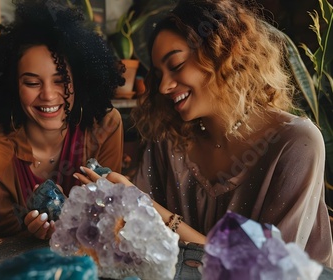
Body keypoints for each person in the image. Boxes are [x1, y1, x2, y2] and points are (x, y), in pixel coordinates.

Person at [76, 0, 333, 267]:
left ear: (223, 53)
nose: (163, 86)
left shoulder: (295, 143)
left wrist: (145, 208)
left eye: (175, 65)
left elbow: (264, 271)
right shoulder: (170, 139)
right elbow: (140, 245)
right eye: (157, 74)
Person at [0, 0, 125, 244]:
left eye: (61, 80)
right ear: (13, 88)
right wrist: (31, 236)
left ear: (80, 80)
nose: (49, 95)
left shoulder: (104, 126)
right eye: (32, 83)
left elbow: (107, 212)